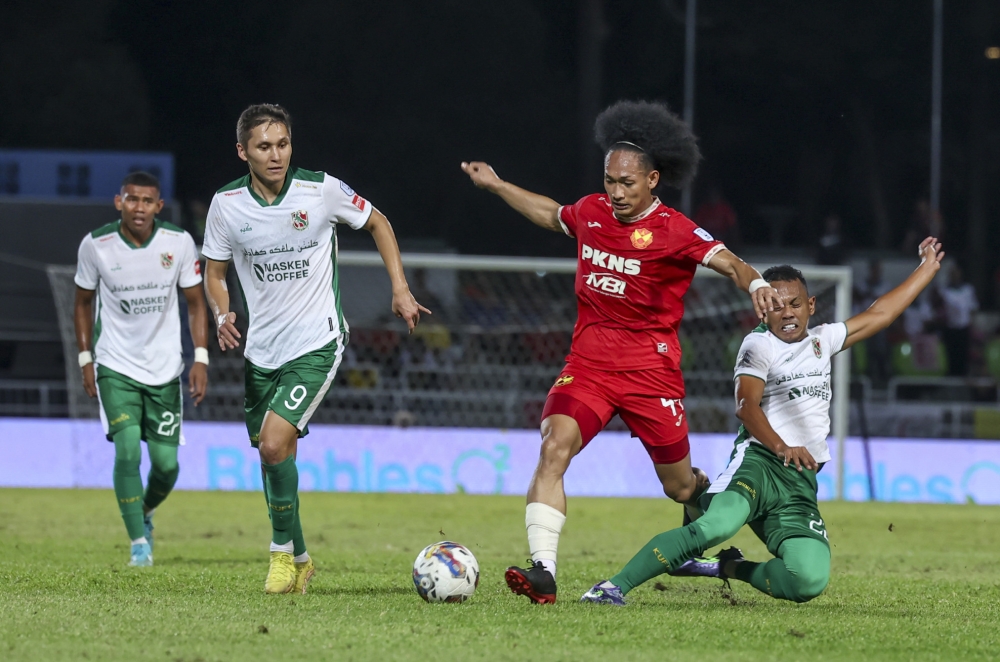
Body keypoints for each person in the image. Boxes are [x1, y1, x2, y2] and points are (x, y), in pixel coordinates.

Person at [461, 100, 784, 604]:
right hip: (588, 368)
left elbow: (730, 262)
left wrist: (757, 283)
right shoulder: (592, 212)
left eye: (627, 183)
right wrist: (499, 185)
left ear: (652, 180)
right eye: (610, 180)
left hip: (650, 375)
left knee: (680, 487)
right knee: (553, 448)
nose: (616, 192)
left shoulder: (675, 229)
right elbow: (551, 214)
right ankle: (543, 571)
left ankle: (698, 529)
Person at [581, 237, 944, 605]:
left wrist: (926, 268)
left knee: (807, 580)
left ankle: (726, 564)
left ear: (811, 305)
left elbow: (882, 314)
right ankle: (610, 588)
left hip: (799, 481)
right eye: (776, 305)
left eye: (795, 304)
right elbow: (746, 406)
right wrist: (781, 447)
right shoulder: (758, 345)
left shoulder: (823, 341)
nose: (787, 313)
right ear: (762, 310)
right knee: (717, 527)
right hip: (759, 464)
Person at [202, 104, 430, 595]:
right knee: (274, 458)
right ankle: (302, 559)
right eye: (264, 146)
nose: (276, 155)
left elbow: (378, 222)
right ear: (243, 151)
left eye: (283, 144)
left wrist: (400, 288)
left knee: (273, 444)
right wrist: (221, 314)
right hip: (261, 351)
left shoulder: (320, 190)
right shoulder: (226, 205)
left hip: (317, 341)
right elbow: (214, 274)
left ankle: (280, 558)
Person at [73, 171, 209, 567]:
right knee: (128, 448)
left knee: (166, 467)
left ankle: (143, 510)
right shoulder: (96, 245)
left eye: (147, 201)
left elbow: (196, 303)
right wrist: (86, 359)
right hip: (115, 364)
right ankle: (138, 545)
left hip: (164, 369)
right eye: (132, 199)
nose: (139, 207)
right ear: (119, 202)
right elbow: (82, 303)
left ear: (158, 206)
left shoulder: (178, 242)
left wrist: (201, 358)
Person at [937, 265, 978, 376]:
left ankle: (963, 375)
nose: (955, 276)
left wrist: (972, 324)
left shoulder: (968, 290)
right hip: (950, 328)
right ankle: (951, 375)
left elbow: (972, 308)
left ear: (960, 275)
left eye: (957, 274)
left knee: (963, 354)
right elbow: (940, 309)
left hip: (964, 327)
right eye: (952, 274)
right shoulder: (944, 291)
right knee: (951, 354)